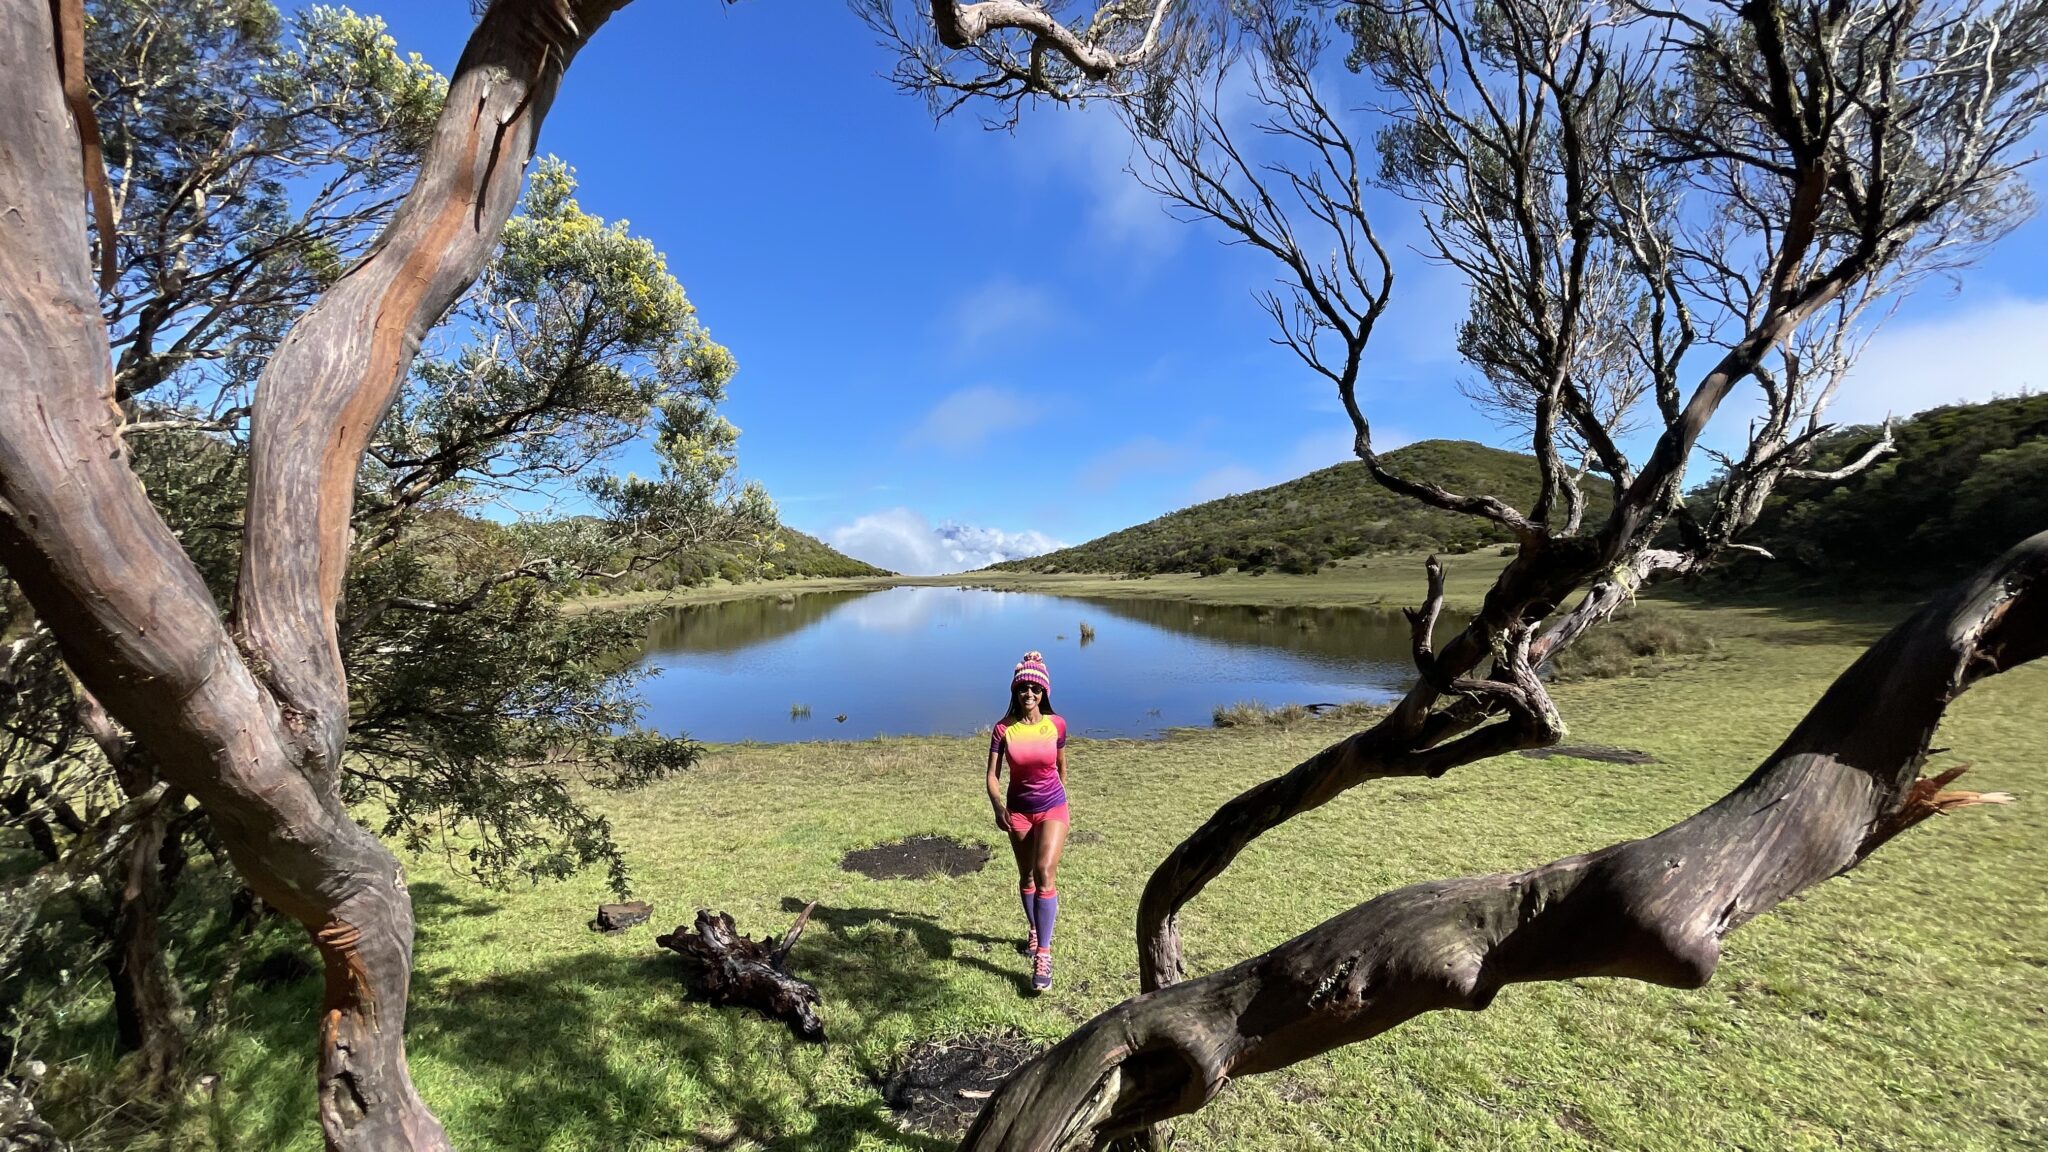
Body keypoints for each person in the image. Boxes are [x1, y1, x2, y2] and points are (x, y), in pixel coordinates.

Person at [986, 651, 1068, 993]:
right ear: (1015, 692)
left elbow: (1062, 767)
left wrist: (1063, 800)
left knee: (1045, 871)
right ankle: (1034, 930)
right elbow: (992, 776)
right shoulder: (1003, 729)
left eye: (1035, 688)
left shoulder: (1057, 725)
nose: (1029, 694)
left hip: (1053, 806)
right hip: (1017, 810)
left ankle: (1043, 955)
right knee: (1027, 875)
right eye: (1023, 688)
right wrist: (997, 806)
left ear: (1044, 691)